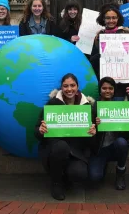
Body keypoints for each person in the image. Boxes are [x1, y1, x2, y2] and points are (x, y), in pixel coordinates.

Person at [35, 73, 97, 201]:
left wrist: (92, 133)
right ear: (61, 88)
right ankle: (56, 183)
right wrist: (41, 130)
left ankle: (65, 178)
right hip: (55, 149)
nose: (69, 89)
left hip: (76, 152)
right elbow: (36, 130)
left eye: (72, 85)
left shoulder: (86, 107)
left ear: (78, 86)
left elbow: (91, 140)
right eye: (65, 86)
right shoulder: (52, 104)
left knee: (80, 174)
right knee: (61, 147)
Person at [89, 77, 129, 190]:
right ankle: (103, 165)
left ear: (114, 90)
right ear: (100, 90)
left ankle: (120, 171)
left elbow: (127, 135)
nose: (107, 91)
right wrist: (95, 125)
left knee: (122, 142)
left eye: (110, 88)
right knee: (95, 177)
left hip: (115, 147)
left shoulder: (121, 107)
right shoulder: (93, 107)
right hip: (99, 150)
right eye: (104, 88)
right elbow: (88, 135)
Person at [89, 3, 129, 100]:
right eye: (108, 18)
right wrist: (102, 55)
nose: (111, 21)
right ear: (103, 19)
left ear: (118, 18)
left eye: (114, 18)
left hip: (122, 80)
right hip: (105, 80)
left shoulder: (125, 33)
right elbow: (93, 59)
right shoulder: (99, 35)